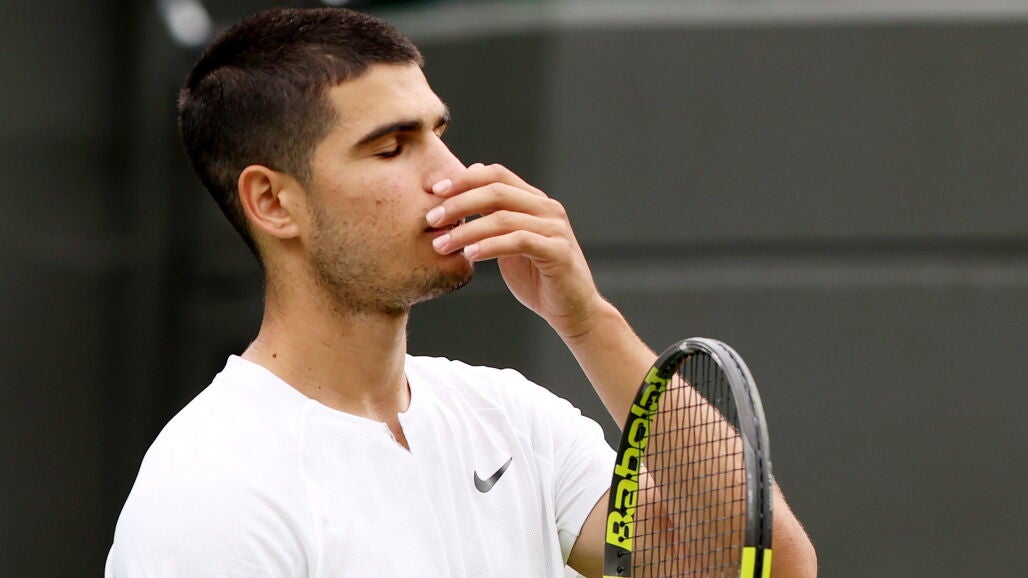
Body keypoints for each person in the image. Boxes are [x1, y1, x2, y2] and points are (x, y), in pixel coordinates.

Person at [106, 7, 816, 577]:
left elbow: (762, 569)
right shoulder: (211, 490)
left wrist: (587, 322)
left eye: (440, 133)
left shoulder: (510, 416)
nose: (452, 176)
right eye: (392, 147)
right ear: (273, 202)